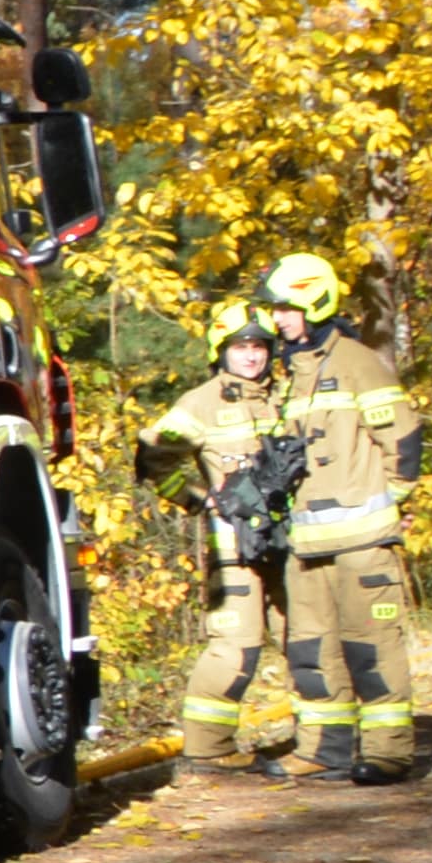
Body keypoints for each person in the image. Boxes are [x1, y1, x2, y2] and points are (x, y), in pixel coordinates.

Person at [251, 250, 425, 783]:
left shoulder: (355, 362)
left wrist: (383, 496)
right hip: (306, 549)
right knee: (311, 654)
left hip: (361, 544)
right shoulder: (290, 375)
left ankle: (388, 753)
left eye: (285, 308)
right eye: (272, 309)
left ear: (313, 302)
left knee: (371, 651)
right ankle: (323, 752)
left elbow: (403, 437)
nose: (276, 319)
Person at [141, 302, 306, 773]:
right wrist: (200, 500)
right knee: (236, 648)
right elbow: (153, 457)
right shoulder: (201, 403)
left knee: (308, 638)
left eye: (259, 347)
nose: (252, 357)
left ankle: (322, 741)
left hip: (295, 544)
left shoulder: (291, 393)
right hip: (236, 549)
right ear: (222, 350)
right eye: (241, 347)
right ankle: (209, 751)